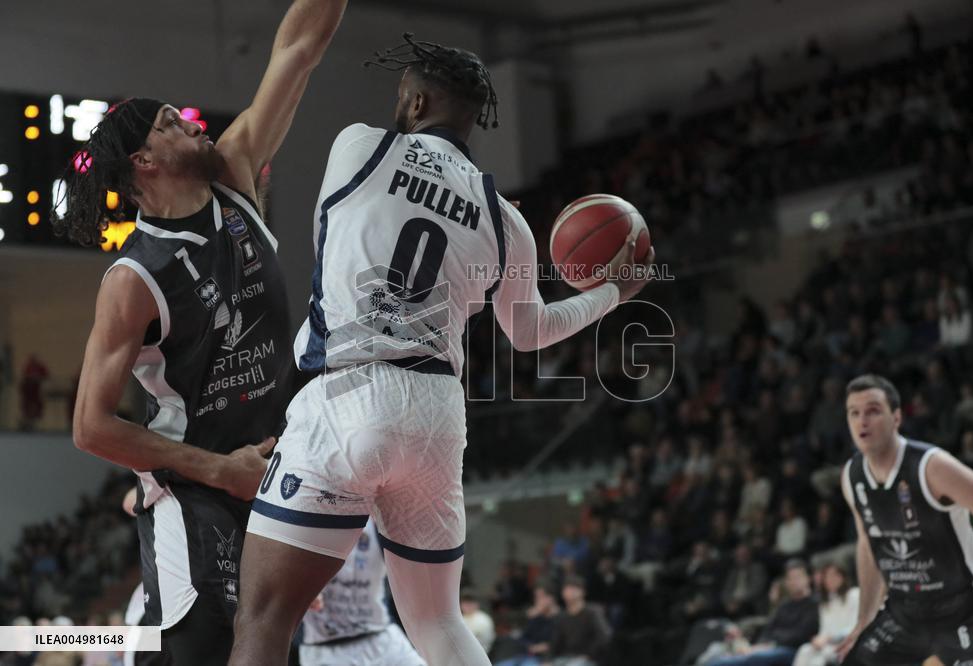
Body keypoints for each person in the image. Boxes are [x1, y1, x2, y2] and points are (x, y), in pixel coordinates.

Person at [228, 32, 654, 666]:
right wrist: (612, 294)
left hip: (347, 388)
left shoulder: (358, 147)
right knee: (438, 622)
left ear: (416, 98)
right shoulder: (507, 219)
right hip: (435, 410)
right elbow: (531, 331)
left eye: (403, 92)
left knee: (265, 614)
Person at [55, 1, 350, 663]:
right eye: (169, 126)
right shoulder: (134, 277)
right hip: (196, 496)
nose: (188, 124)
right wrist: (219, 469)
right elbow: (90, 427)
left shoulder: (236, 175)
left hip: (271, 478)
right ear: (146, 163)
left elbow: (299, 48)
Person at [838, 374, 973, 665]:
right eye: (854, 413)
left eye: (873, 410)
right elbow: (868, 543)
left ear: (896, 417)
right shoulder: (852, 476)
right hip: (905, 612)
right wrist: (865, 618)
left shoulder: (933, 467)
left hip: (963, 609)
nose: (862, 420)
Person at [300, 520, 425, 666]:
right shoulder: (300, 521)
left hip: (382, 639)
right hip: (325, 650)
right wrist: (298, 589)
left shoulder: (382, 521)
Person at [704, 559, 819, 666]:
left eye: (798, 577)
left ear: (808, 578)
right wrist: (760, 645)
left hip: (794, 650)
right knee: (718, 658)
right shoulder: (784, 606)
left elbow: (802, 634)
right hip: (771, 648)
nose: (794, 581)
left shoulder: (814, 604)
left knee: (747, 659)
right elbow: (768, 630)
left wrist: (772, 643)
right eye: (790, 578)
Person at [792, 562, 858, 666]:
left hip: (846, 642)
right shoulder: (825, 603)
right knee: (804, 650)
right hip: (827, 643)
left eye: (834, 575)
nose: (830, 580)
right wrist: (818, 639)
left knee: (819, 660)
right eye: (827, 577)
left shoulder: (854, 594)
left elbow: (855, 626)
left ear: (843, 577)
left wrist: (830, 638)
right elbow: (824, 629)